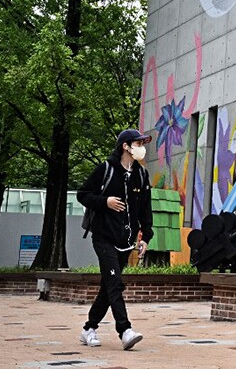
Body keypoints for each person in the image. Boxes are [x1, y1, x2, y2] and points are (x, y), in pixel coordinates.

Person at [76, 128, 154, 350]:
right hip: (103, 237)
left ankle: (88, 328)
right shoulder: (106, 169)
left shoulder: (141, 174)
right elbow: (83, 194)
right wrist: (105, 201)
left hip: (125, 241)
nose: (141, 148)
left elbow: (145, 210)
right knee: (115, 283)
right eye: (138, 144)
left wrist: (145, 237)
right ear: (125, 147)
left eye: (142, 144)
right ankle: (125, 330)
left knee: (108, 287)